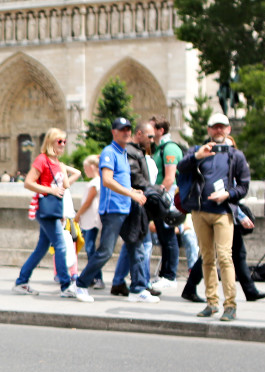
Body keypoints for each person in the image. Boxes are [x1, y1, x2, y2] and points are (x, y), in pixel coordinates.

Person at [176, 112, 250, 321]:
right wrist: (197, 156)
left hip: (222, 212)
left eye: (222, 127)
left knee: (225, 257)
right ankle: (211, 302)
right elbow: (181, 168)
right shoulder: (197, 151)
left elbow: (244, 185)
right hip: (200, 211)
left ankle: (230, 304)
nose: (218, 131)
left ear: (228, 130)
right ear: (209, 130)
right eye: (214, 127)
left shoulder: (236, 155)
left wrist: (227, 194)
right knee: (207, 258)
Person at [73, 117, 150, 299]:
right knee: (106, 251)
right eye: (122, 129)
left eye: (128, 129)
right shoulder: (109, 152)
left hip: (126, 208)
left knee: (136, 247)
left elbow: (120, 181)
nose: (126, 132)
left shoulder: (123, 153)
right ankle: (80, 284)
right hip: (113, 210)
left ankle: (138, 290)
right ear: (113, 132)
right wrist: (131, 194)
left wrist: (132, 190)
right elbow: (107, 180)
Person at [13, 129, 89, 300]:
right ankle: (65, 284)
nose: (63, 144)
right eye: (59, 141)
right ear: (50, 142)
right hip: (46, 209)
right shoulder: (42, 160)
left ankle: (21, 281)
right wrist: (51, 190)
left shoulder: (56, 162)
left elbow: (65, 187)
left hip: (54, 210)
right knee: (60, 245)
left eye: (64, 141)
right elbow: (28, 183)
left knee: (42, 248)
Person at [108, 121, 158, 299]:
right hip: (134, 204)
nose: (152, 140)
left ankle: (121, 282)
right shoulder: (128, 152)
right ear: (139, 134)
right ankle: (140, 286)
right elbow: (135, 179)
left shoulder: (136, 152)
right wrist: (155, 191)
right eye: (149, 136)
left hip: (137, 201)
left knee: (133, 245)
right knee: (140, 244)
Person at [149, 116, 183, 288]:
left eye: (152, 128)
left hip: (166, 199)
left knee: (168, 236)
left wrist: (156, 194)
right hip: (162, 198)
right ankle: (165, 274)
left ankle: (170, 276)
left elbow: (169, 178)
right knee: (163, 236)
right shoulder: (159, 149)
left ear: (160, 130)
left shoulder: (169, 149)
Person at [74, 155, 104, 290]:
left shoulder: (95, 183)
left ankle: (97, 277)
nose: (85, 171)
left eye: (86, 168)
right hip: (91, 219)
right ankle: (93, 276)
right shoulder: (98, 182)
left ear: (92, 167)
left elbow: (88, 201)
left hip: (91, 219)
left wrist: (78, 214)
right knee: (90, 248)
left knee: (90, 248)